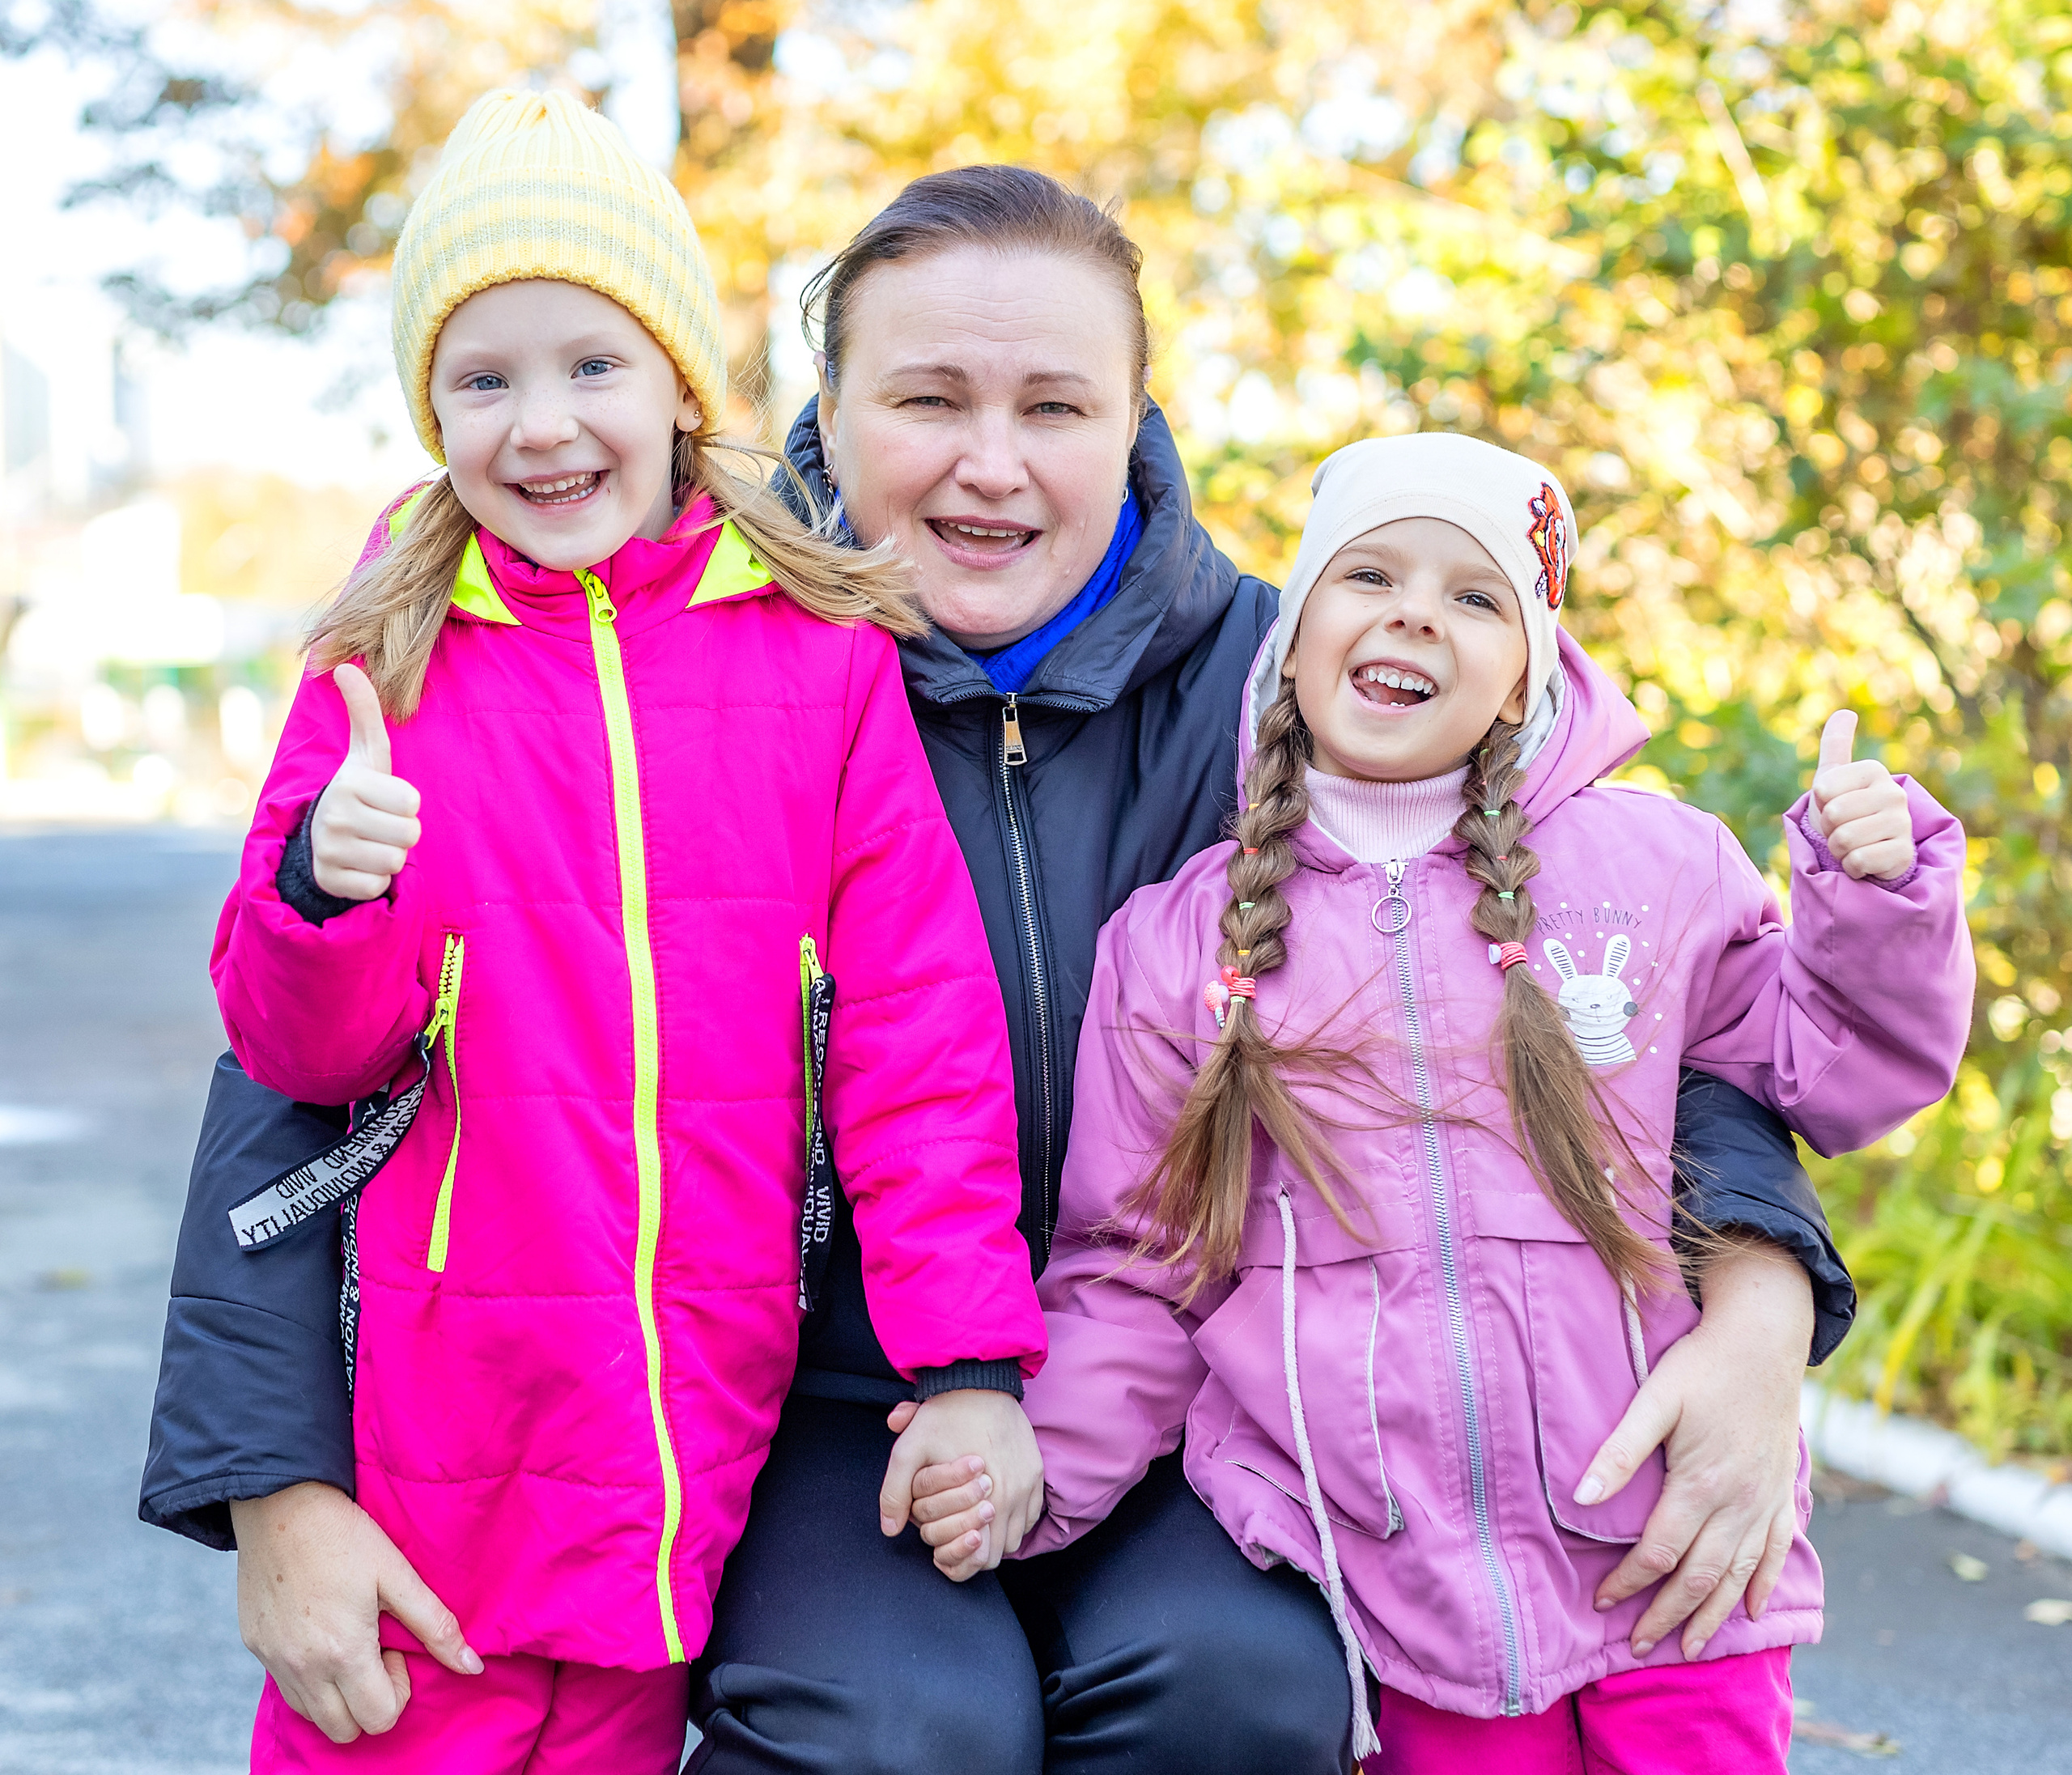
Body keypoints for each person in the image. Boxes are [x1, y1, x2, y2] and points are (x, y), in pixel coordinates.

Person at [144, 166, 1856, 1774]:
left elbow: (1613, 978)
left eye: (1052, 408)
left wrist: (1759, 1300)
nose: (990, 465)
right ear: (821, 416)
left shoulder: (1291, 684)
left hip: (1212, 1377)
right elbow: (309, 1068)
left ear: (1135, 423)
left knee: (1235, 1684)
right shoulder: (684, 666)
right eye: (925, 401)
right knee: (900, 1722)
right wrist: (270, 1480)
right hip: (813, 1392)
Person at [204, 90, 1046, 1771]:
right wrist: (323, 894)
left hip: (686, 1419)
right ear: (427, 405)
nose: (540, 426)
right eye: (481, 378)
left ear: (676, 379)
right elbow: (298, 1055)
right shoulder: (385, 656)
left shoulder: (813, 657)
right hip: (443, 1426)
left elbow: (918, 1031)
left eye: (589, 363)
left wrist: (965, 1356)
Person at [996, 435, 1972, 1772]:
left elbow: (1837, 1069)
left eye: (1475, 595)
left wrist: (1877, 898)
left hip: (1676, 1561)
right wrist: (1033, 1475)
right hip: (1405, 1598)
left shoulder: (1656, 867)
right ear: (1291, 637)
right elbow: (1138, 1268)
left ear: (1530, 671)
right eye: (1371, 572)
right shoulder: (1181, 945)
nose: (1413, 611)